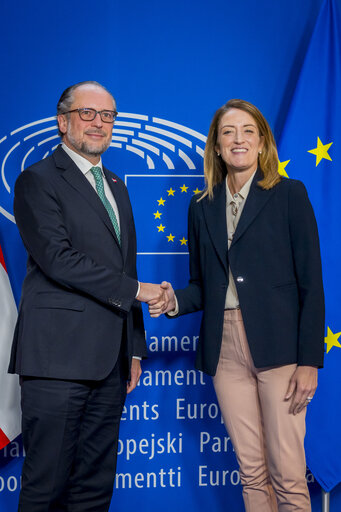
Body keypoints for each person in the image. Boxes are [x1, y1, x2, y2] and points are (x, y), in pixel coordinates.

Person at [149, 99, 325, 511]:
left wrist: (309, 361)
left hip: (280, 349)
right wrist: (173, 300)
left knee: (287, 473)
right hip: (224, 350)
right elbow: (203, 286)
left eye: (247, 130)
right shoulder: (200, 206)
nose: (238, 139)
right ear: (216, 146)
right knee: (251, 472)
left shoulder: (288, 195)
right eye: (228, 132)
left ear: (262, 143)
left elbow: (311, 285)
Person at [9, 81, 165, 512]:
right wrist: (137, 291)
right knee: (46, 488)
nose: (99, 123)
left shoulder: (116, 184)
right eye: (88, 113)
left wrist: (133, 349)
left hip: (110, 362)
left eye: (108, 115)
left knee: (95, 490)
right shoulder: (36, 180)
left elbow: (124, 267)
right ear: (63, 121)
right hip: (57, 359)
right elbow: (58, 259)